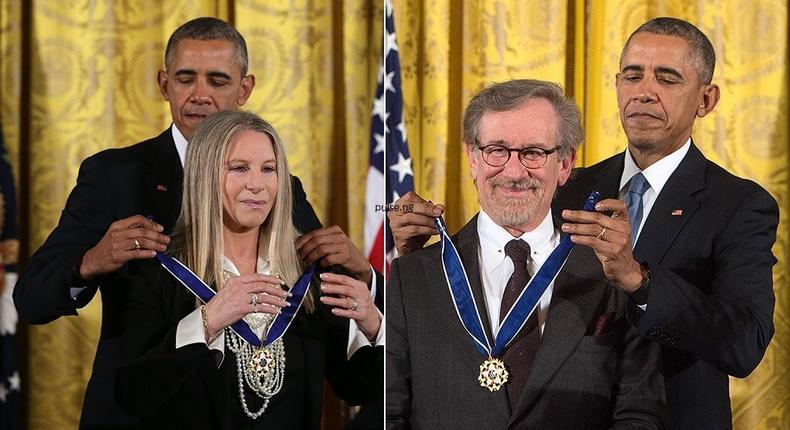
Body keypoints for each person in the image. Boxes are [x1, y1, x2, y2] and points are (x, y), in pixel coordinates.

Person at [389, 17, 778, 430]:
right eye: (633, 75)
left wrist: (640, 282)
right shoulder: (563, 183)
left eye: (667, 78)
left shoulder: (740, 204)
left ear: (706, 99)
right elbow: (488, 262)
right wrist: (423, 261)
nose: (644, 92)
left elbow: (744, 343)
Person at [14, 17, 378, 429]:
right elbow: (30, 299)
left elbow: (316, 302)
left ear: (245, 89)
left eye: (218, 81)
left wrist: (364, 273)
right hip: (140, 410)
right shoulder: (115, 175)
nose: (200, 95)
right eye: (187, 78)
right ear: (164, 84)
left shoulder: (278, 187)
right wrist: (89, 262)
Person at [386, 79, 667, 429]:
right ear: (473, 158)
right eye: (497, 150)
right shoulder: (412, 276)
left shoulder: (613, 272)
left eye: (533, 152)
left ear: (565, 164)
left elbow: (640, 416)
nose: (515, 172)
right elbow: (390, 414)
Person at [113, 109, 382, 429]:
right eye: (239, 168)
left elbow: (357, 388)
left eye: (269, 169)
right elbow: (131, 396)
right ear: (204, 176)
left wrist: (374, 324)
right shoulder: (154, 272)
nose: (257, 184)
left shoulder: (307, 278)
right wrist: (208, 321)